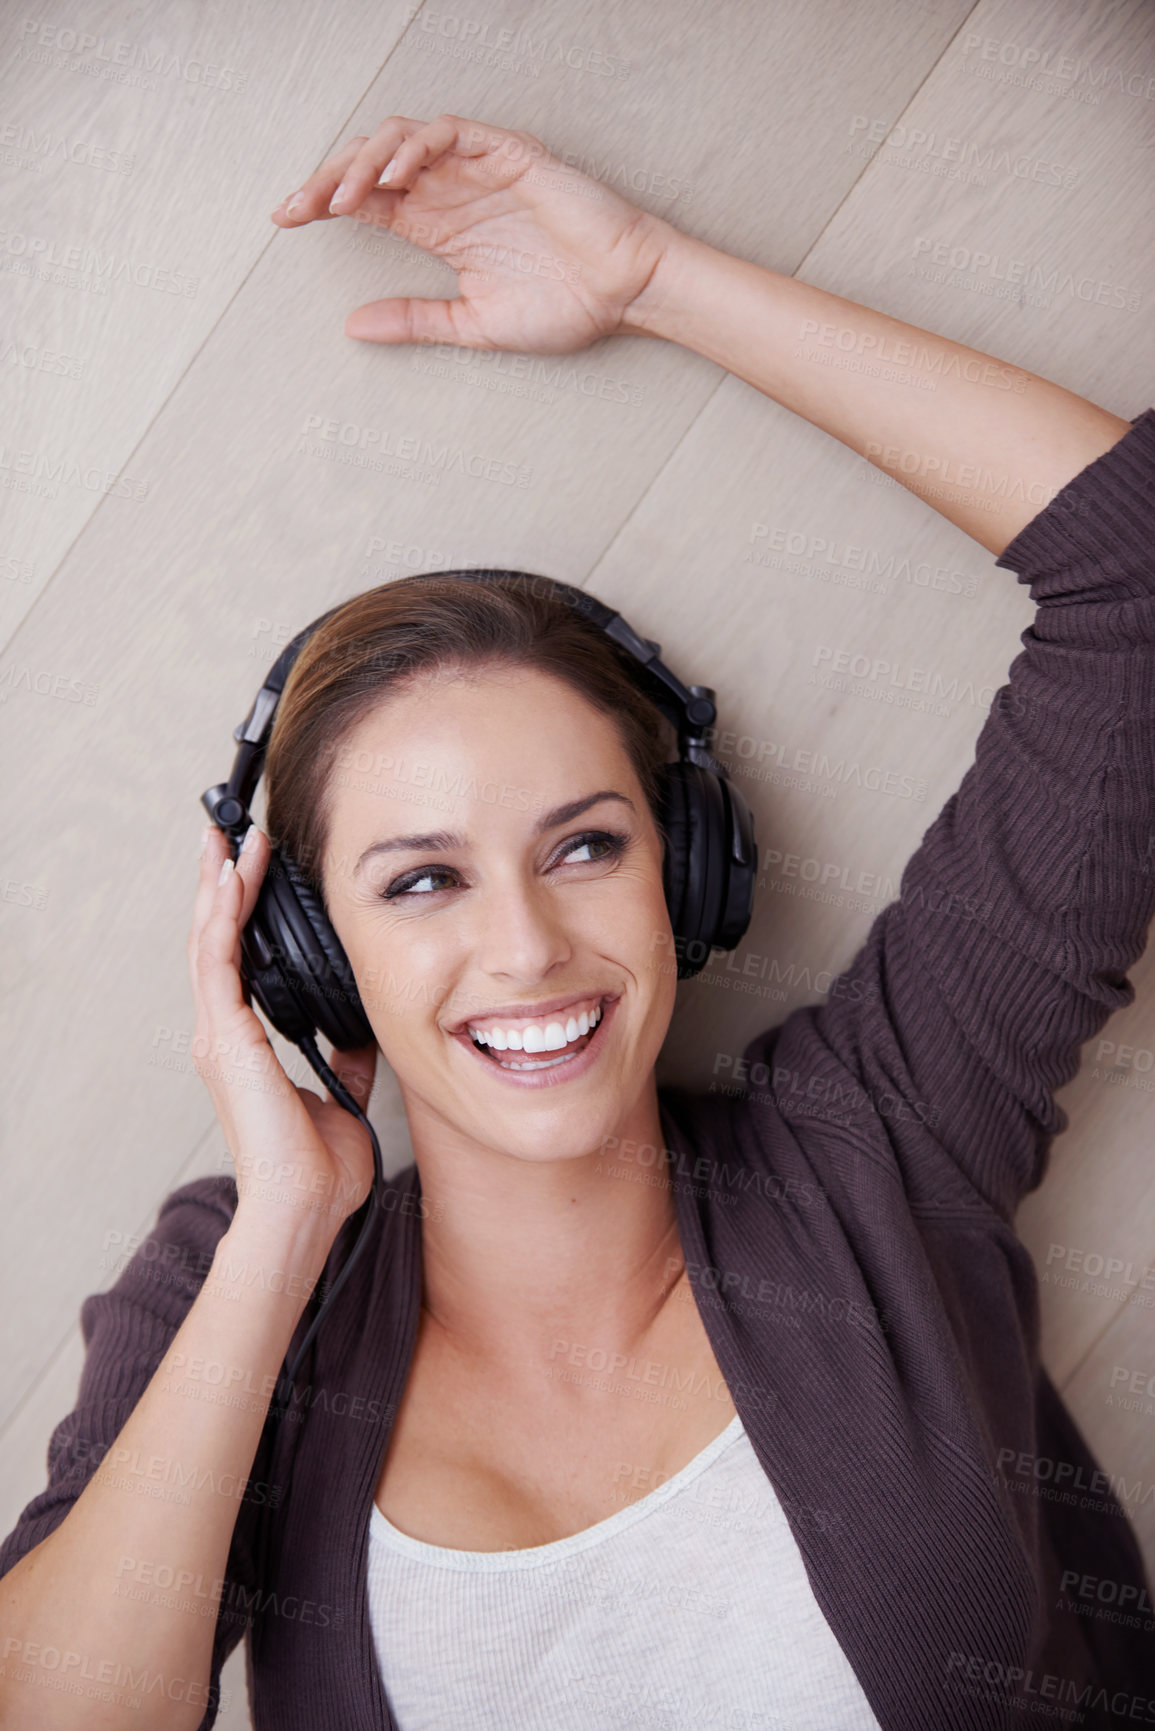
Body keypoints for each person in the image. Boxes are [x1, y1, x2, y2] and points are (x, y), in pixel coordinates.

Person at [1, 112, 1152, 1731]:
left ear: (686, 872)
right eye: (418, 881)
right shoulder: (237, 1283)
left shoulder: (880, 1148)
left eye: (587, 847)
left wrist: (655, 278)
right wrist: (282, 1229)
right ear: (305, 950)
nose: (529, 947)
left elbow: (1138, 573)